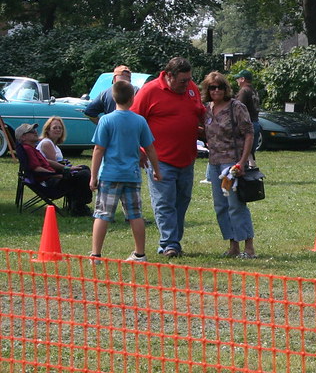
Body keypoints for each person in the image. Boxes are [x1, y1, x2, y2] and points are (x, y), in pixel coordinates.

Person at [131, 56, 206, 258]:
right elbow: (133, 120)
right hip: (159, 159)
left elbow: (199, 112)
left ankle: (173, 241)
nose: (187, 84)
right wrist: (138, 149)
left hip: (186, 157)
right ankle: (169, 243)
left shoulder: (191, 89)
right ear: (169, 76)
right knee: (164, 202)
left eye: (189, 79)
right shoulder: (149, 91)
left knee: (182, 200)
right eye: (183, 80)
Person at [88, 81, 162, 262]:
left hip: (110, 175)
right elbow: (150, 148)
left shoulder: (106, 120)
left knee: (102, 214)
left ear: (113, 98)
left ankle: (96, 254)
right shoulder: (139, 120)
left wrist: (93, 176)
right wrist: (157, 170)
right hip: (132, 175)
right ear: (132, 98)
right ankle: (140, 254)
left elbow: (99, 149)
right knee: (135, 215)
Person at [201, 72, 258, 258]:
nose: (216, 90)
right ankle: (233, 245)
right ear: (207, 90)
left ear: (226, 89)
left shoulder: (236, 107)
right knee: (221, 206)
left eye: (219, 87)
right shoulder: (207, 109)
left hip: (231, 165)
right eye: (212, 87)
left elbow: (249, 134)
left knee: (236, 205)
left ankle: (248, 247)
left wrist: (242, 163)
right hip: (214, 164)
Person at [15, 123, 93, 215]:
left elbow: (46, 162)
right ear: (23, 137)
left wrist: (66, 168)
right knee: (83, 175)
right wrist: (56, 175)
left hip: (51, 178)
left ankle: (77, 204)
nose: (35, 132)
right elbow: (37, 169)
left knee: (84, 168)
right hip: (49, 183)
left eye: (35, 130)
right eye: (31, 131)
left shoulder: (32, 148)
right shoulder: (28, 149)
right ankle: (79, 207)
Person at [37, 117, 91, 184]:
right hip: (51, 179)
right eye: (55, 128)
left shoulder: (53, 144)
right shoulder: (47, 143)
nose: (58, 130)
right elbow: (54, 166)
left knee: (84, 168)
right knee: (84, 174)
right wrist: (69, 168)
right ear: (48, 130)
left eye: (60, 128)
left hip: (58, 173)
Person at [234, 69, 261, 157]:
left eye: (238, 78)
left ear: (243, 79)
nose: (236, 80)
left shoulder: (244, 91)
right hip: (256, 122)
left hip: (247, 124)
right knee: (250, 153)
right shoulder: (254, 91)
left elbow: (238, 108)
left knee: (244, 154)